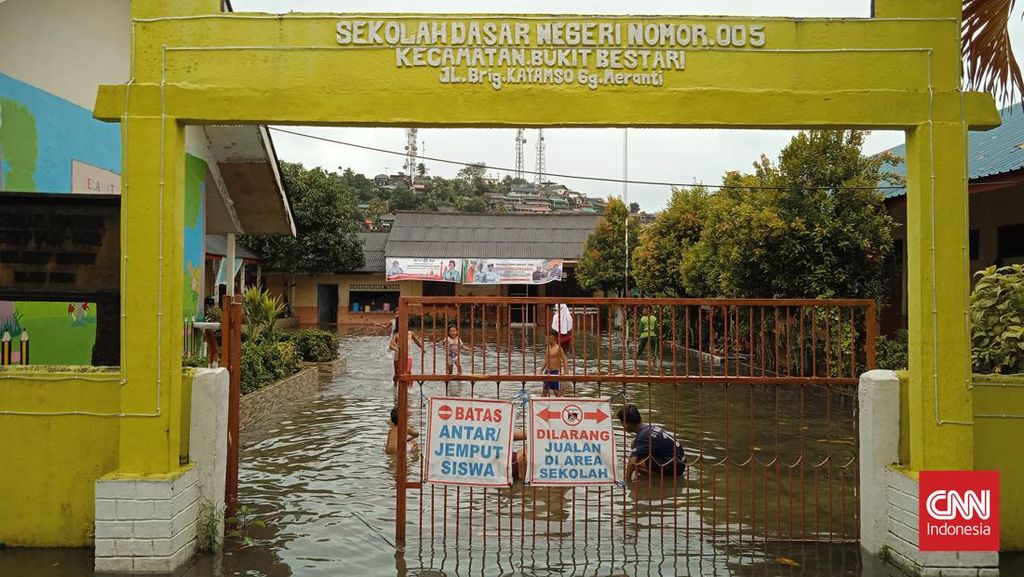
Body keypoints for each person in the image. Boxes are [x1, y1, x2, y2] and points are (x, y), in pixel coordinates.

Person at [617, 404, 686, 480]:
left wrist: (627, 481)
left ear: (625, 425)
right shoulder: (648, 428)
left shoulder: (643, 436)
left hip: (675, 469)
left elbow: (632, 462)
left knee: (636, 464)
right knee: (635, 445)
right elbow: (635, 445)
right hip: (679, 463)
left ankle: (666, 479)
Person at [389, 319, 423, 386]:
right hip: (398, 356)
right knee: (398, 374)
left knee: (408, 372)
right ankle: (395, 382)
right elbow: (391, 345)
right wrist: (396, 349)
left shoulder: (410, 333)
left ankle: (409, 388)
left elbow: (417, 342)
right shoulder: (396, 334)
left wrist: (422, 348)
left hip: (408, 356)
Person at [542, 331, 568, 397]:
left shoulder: (558, 348)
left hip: (555, 372)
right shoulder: (548, 348)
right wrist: (541, 370)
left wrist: (566, 372)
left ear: (552, 338)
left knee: (556, 391)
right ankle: (540, 406)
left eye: (547, 338)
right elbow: (546, 360)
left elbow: (565, 360)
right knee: (545, 390)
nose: (545, 340)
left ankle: (560, 405)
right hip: (547, 371)